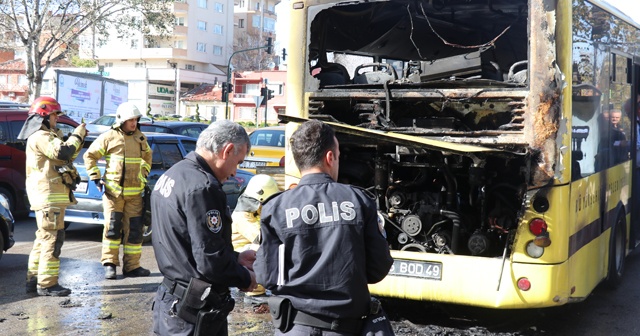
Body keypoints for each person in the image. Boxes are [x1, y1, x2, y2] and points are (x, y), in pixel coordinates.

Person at [254, 120, 394, 335]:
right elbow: (378, 269)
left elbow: (267, 277)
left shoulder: (275, 208)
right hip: (346, 327)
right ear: (330, 158)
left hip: (294, 327)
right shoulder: (359, 201)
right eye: (338, 156)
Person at [151, 120, 258, 336]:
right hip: (193, 313)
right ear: (227, 150)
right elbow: (210, 261)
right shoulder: (204, 188)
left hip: (171, 302)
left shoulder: (174, 174)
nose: (234, 173)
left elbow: (189, 244)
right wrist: (245, 278)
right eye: (237, 162)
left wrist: (235, 258)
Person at [20, 96, 87, 296]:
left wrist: (78, 139)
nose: (57, 119)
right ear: (44, 116)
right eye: (54, 115)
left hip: (48, 197)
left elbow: (67, 155)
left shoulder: (47, 136)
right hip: (49, 198)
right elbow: (63, 152)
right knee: (53, 239)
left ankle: (33, 281)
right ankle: (47, 284)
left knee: (43, 238)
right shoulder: (41, 136)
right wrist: (77, 135)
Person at [84, 102, 152, 279]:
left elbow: (147, 159)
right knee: (113, 229)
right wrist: (96, 177)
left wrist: (142, 174)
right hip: (113, 195)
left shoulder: (141, 139)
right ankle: (110, 264)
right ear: (121, 120)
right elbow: (89, 156)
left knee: (135, 231)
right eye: (130, 120)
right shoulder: (109, 137)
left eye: (136, 120)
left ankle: (132, 266)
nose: (134, 123)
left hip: (135, 195)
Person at [231, 174, 280, 300]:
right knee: (261, 249)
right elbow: (262, 238)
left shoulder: (254, 212)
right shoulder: (242, 216)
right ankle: (254, 292)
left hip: (242, 255)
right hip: (240, 257)